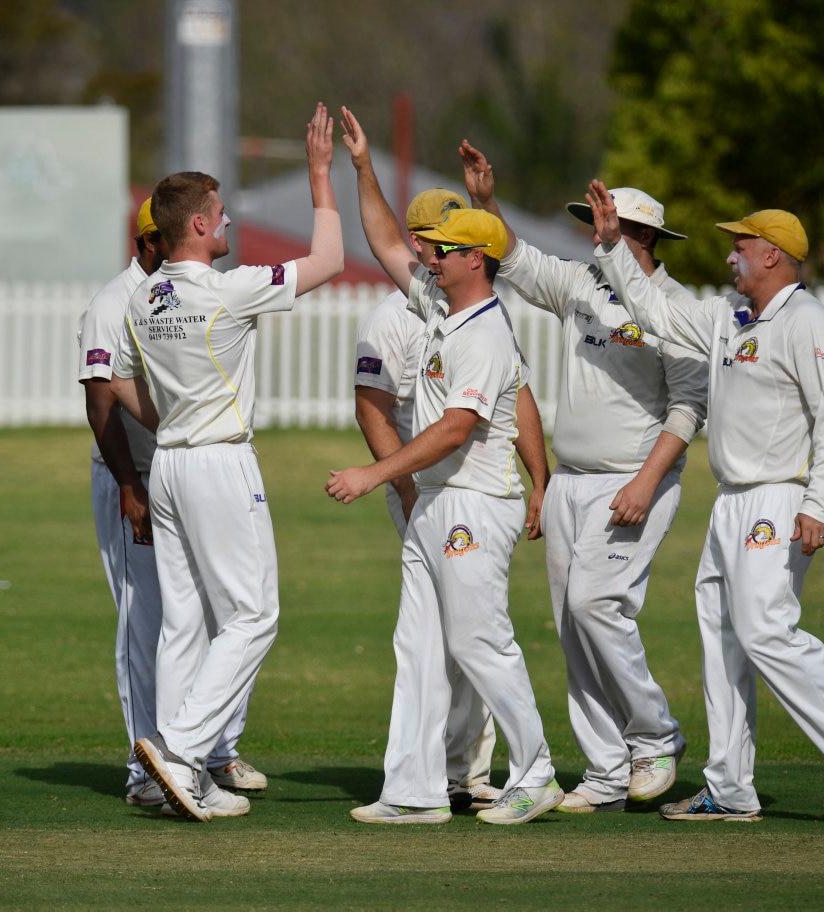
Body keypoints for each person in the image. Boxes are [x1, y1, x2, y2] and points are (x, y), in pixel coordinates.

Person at [587, 181, 824, 824]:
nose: (730, 256)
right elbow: (654, 312)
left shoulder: (808, 322)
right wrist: (615, 246)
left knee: (764, 630)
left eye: (741, 246)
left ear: (773, 257)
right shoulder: (729, 317)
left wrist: (821, 504)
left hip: (779, 500)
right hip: (731, 502)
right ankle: (729, 787)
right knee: (723, 640)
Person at [110, 103, 345, 822]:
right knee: (253, 616)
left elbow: (122, 383)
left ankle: (174, 777)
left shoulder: (142, 297)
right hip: (217, 464)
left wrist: (170, 425)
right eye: (222, 214)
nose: (231, 224)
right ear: (201, 226)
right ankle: (180, 750)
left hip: (172, 465)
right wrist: (318, 175)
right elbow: (332, 260)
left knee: (186, 621)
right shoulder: (226, 289)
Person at [458, 142, 707, 813]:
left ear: (646, 236)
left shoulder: (674, 305)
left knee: (600, 606)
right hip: (571, 481)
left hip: (632, 480)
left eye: (615, 228)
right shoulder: (580, 283)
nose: (601, 237)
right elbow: (513, 257)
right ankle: (603, 772)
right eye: (598, 226)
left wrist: (646, 483)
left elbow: (688, 406)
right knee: (573, 625)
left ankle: (656, 735)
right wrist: (485, 200)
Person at [329, 106, 560, 826]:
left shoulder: (485, 334)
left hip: (471, 504)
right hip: (435, 504)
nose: (430, 255)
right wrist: (363, 164)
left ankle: (537, 772)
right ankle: (414, 791)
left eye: (446, 248)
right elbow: (386, 239)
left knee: (479, 643)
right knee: (420, 646)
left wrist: (375, 473)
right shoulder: (438, 303)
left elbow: (460, 426)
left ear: (476, 260)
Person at [77, 198, 266, 809]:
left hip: (175, 472)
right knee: (147, 620)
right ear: (148, 243)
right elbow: (101, 401)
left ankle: (204, 754)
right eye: (163, 239)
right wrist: (130, 483)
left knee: (205, 618)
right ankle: (147, 772)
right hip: (133, 476)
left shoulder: (179, 296)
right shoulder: (118, 302)